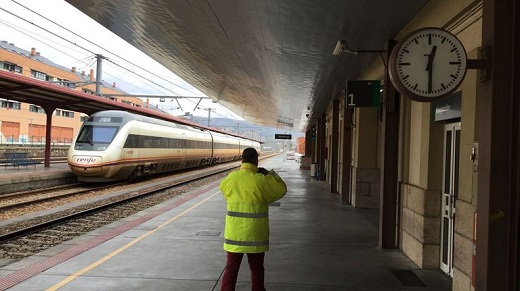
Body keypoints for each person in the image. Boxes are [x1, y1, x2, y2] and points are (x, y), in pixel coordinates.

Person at [219, 148, 287, 291]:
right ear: (256, 161)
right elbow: (281, 190)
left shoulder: (231, 178)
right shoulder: (261, 181)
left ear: (242, 160)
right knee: (257, 269)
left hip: (234, 236)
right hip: (255, 236)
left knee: (231, 269)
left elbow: (224, 190)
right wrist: (270, 174)